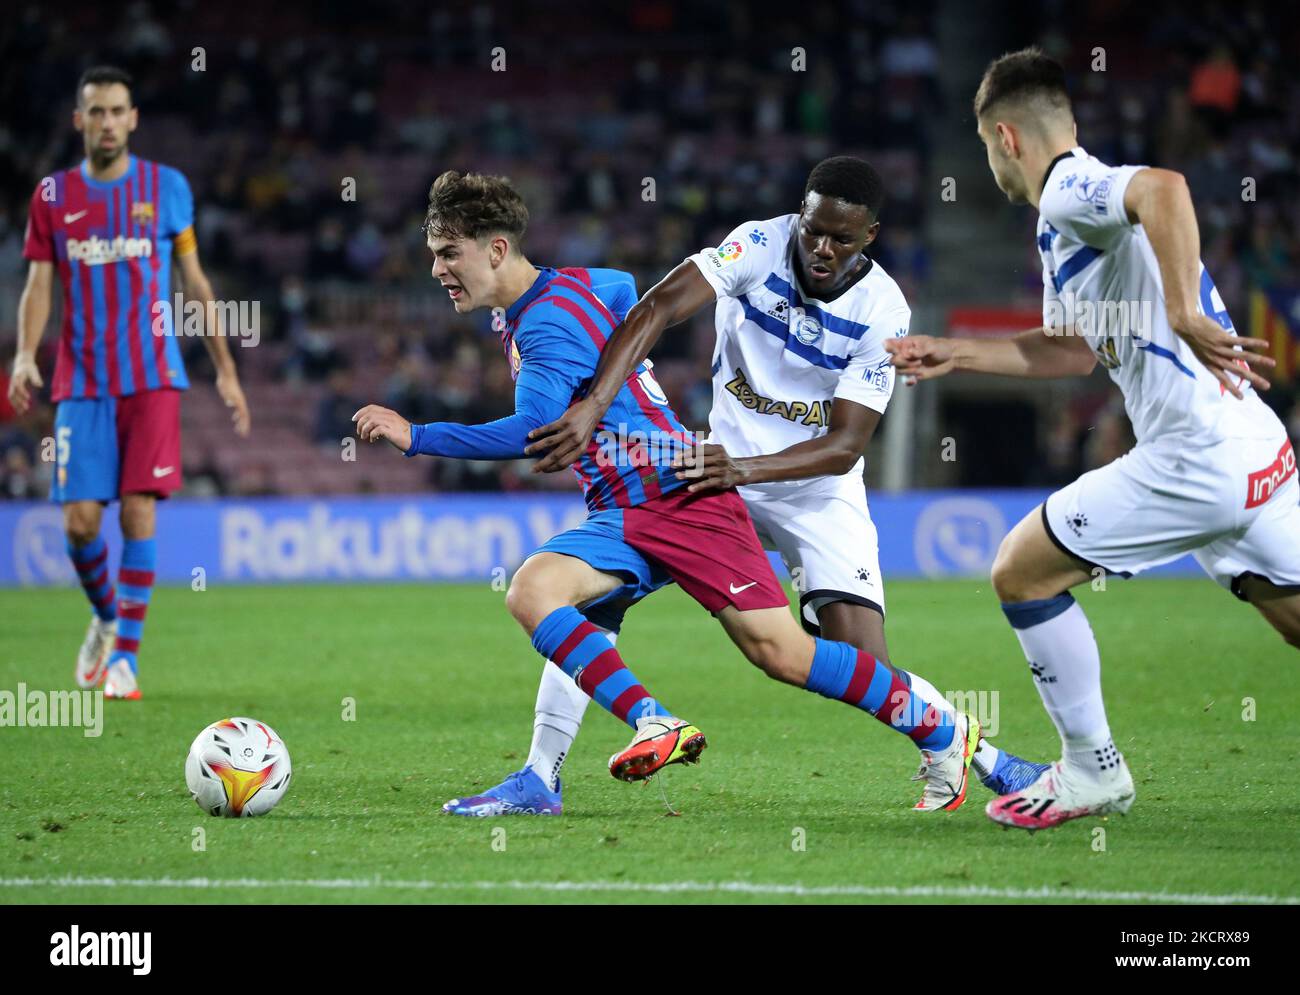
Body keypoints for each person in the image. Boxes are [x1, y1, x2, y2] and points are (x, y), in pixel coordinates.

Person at [356, 170, 985, 814]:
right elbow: (635, 295)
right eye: (813, 230)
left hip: (726, 486)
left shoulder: (543, 326)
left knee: (804, 655)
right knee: (558, 600)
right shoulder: (590, 285)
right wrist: (605, 387)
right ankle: (547, 775)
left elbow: (532, 432)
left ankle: (958, 740)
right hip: (670, 479)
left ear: (495, 249)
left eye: (447, 254)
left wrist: (417, 434)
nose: (436, 269)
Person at [886, 47, 1297, 831]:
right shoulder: (1067, 230)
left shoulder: (1070, 188)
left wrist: (1181, 307)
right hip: (1254, 448)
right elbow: (1071, 347)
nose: (990, 163)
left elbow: (1165, 189)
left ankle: (1091, 769)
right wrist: (956, 351)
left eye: (984, 147)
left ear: (1006, 138)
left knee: (1020, 571)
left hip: (1196, 455)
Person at [8, 65, 250, 700]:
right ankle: (108, 616)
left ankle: (127, 661)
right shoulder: (53, 196)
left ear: (133, 118)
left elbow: (195, 283)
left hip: (151, 378)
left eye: (118, 111)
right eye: (97, 112)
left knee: (139, 509)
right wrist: (24, 354)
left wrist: (225, 368)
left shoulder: (167, 188)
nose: (108, 122)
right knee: (82, 524)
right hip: (82, 381)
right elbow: (40, 283)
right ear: (79, 120)